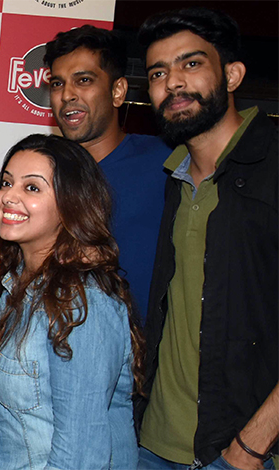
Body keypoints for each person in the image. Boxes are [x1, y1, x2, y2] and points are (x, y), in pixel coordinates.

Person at [135, 8, 278, 470]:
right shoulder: (173, 179)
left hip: (240, 453)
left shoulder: (273, 170)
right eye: (158, 73)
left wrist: (251, 447)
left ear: (232, 75)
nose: (173, 82)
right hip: (153, 445)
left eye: (191, 64)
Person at [0, 134, 143, 470]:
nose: (8, 196)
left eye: (32, 187)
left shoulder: (82, 302)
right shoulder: (14, 285)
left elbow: (81, 457)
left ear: (71, 204)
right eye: (7, 182)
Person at [44, 24, 171, 319]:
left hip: (145, 342)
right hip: (55, 340)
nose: (67, 95)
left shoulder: (166, 162)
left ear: (118, 91)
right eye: (57, 84)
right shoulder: (41, 175)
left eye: (83, 80)